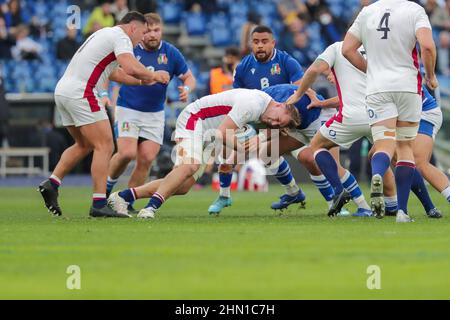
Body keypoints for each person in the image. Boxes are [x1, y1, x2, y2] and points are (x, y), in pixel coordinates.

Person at [37, 12, 170, 218]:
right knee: (105, 145)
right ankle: (99, 203)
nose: (143, 38)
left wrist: (144, 81)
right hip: (83, 91)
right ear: (133, 28)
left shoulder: (103, 35)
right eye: (143, 32)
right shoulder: (121, 37)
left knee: (84, 145)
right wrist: (154, 74)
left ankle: (52, 183)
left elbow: (115, 73)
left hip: (63, 90)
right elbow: (129, 66)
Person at [287, 41, 442, 218]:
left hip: (350, 118)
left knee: (316, 146)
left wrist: (298, 94)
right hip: (379, 114)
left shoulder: (338, 48)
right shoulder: (377, 49)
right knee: (401, 158)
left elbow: (315, 70)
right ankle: (424, 206)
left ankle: (339, 191)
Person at [108, 88, 301, 219]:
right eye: (278, 119)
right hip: (195, 119)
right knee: (188, 166)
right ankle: (150, 208)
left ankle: (122, 197)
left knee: (182, 186)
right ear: (280, 105)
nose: (274, 123)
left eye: (278, 125)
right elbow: (223, 132)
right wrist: (242, 148)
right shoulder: (253, 104)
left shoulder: (266, 108)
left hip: (210, 134)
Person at [342, 0, 438, 222]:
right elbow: (427, 46)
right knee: (404, 148)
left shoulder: (367, 12)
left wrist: (371, 70)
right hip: (407, 87)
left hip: (378, 89)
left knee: (384, 145)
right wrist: (430, 75)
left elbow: (347, 49)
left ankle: (377, 174)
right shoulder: (414, 10)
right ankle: (402, 212)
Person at [208, 25, 312, 215]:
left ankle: (332, 199)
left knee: (307, 158)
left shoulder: (287, 62)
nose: (260, 46)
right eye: (256, 42)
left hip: (286, 123)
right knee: (227, 159)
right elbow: (239, 98)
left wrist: (282, 120)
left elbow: (300, 93)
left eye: (264, 42)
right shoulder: (243, 68)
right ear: (250, 44)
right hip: (258, 122)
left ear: (273, 43)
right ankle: (224, 196)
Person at [106, 13, 196, 214]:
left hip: (155, 114)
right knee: (127, 153)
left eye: (157, 30)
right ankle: (104, 193)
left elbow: (189, 77)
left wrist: (186, 89)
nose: (153, 35)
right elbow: (113, 72)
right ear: (141, 31)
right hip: (128, 108)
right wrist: (109, 98)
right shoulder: (129, 49)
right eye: (148, 31)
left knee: (146, 159)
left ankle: (124, 203)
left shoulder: (171, 52)